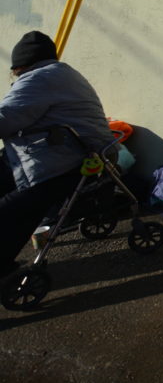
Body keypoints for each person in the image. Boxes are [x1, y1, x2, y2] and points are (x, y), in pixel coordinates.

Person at [0, 31, 113, 277]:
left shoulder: (39, 79)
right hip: (65, 153)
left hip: (66, 161)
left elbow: (5, 119)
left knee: (10, 211)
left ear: (21, 65)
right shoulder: (60, 73)